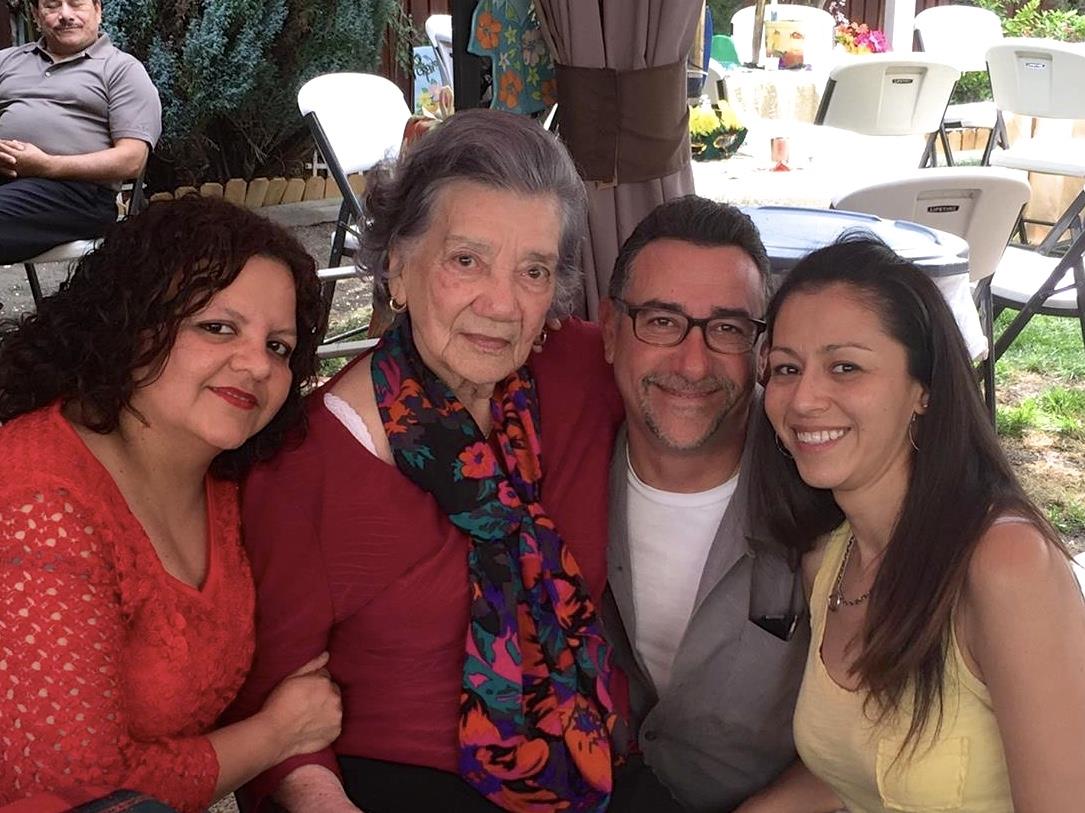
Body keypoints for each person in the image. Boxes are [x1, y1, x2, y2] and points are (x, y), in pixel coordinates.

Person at [227, 108, 626, 813]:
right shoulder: (305, 465)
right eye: (466, 259)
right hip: (395, 783)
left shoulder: (581, 376)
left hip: (591, 758)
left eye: (532, 270)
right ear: (397, 268)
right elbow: (277, 704)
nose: (501, 303)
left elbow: (707, 386)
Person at [0, 196, 342, 813]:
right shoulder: (37, 503)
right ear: (132, 322)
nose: (256, 364)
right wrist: (278, 734)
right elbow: (80, 794)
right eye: (218, 327)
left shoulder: (228, 483)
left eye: (280, 347)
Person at [742, 237, 1085, 811]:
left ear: (923, 388)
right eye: (786, 368)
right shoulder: (828, 561)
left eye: (845, 367)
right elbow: (844, 771)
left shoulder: (1004, 566)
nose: (803, 398)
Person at [599, 195, 808, 812]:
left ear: (761, 350)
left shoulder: (824, 498)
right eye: (662, 321)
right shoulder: (557, 474)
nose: (693, 364)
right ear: (611, 333)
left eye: (727, 328)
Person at [0, 0, 161, 262]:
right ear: (36, 15)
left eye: (76, 4)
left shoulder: (122, 70)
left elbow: (132, 160)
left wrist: (46, 165)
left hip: (77, 194)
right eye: (52, 6)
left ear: (98, 10)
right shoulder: (8, 61)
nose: (65, 15)